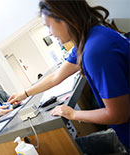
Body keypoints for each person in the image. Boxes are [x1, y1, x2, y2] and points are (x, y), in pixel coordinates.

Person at [8, 0, 129, 154]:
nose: (50, 33)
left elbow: (118, 115)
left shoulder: (95, 50)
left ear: (64, 18)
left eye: (48, 26)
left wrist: (72, 114)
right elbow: (56, 76)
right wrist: (24, 94)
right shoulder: (89, 38)